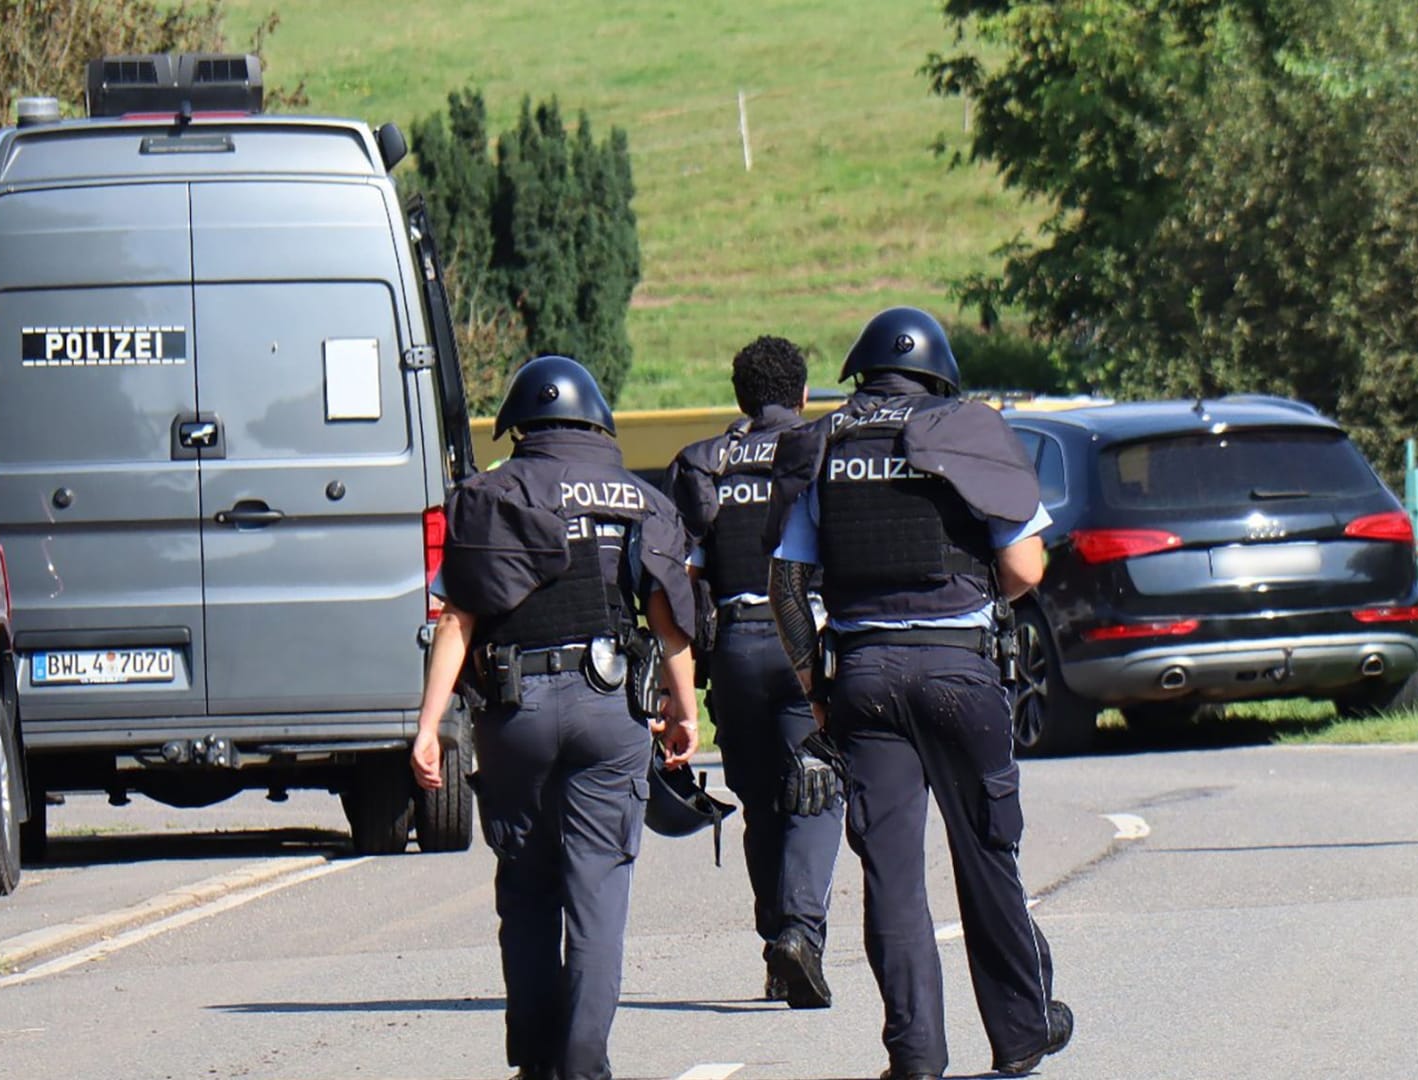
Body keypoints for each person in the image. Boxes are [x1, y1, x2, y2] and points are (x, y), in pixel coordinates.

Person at [762, 307, 1074, 1080]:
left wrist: (818, 687)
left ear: (863, 373)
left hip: (864, 678)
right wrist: (979, 593)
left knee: (892, 875)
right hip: (960, 671)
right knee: (987, 854)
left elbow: (787, 585)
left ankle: (916, 1056)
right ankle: (1022, 1033)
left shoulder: (827, 443)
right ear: (939, 374)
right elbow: (1029, 568)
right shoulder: (970, 429)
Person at [413, 354, 700, 1080]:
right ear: (595, 422)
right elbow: (669, 624)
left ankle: (538, 1063)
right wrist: (683, 710)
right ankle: (582, 1064)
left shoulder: (487, 497)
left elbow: (456, 622)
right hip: (610, 711)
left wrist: (429, 725)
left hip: (519, 715)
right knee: (598, 894)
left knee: (529, 889)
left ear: (520, 427)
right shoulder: (641, 499)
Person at [662, 335, 844, 1009]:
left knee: (764, 803)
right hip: (807, 643)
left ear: (740, 397)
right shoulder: (823, 447)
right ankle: (799, 933)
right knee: (818, 789)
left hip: (734, 649)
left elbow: (680, 580)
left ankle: (777, 948)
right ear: (802, 394)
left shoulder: (702, 463)